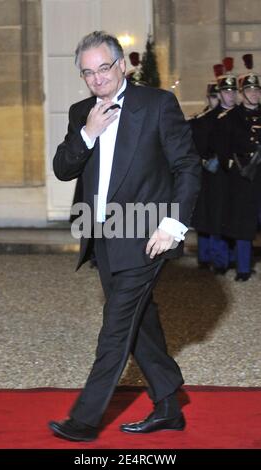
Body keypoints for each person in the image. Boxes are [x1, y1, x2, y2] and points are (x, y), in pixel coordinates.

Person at [49, 31, 200, 442]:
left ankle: (84, 419)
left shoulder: (156, 104)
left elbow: (187, 166)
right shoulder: (83, 111)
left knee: (115, 326)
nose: (97, 80)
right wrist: (88, 134)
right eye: (88, 73)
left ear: (121, 65)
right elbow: (63, 168)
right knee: (139, 322)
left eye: (103, 69)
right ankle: (169, 404)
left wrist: (173, 225)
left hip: (146, 234)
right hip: (103, 237)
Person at [190, 72, 238, 273]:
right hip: (209, 175)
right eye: (213, 96)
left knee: (224, 217)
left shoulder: (227, 117)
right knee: (209, 218)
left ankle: (225, 258)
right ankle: (210, 257)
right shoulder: (202, 120)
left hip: (227, 175)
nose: (216, 99)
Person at [217, 71, 261, 281]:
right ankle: (243, 268)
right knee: (244, 225)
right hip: (243, 179)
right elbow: (223, 150)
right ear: (242, 93)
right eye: (250, 90)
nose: (254, 94)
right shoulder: (231, 118)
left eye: (257, 89)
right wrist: (234, 168)